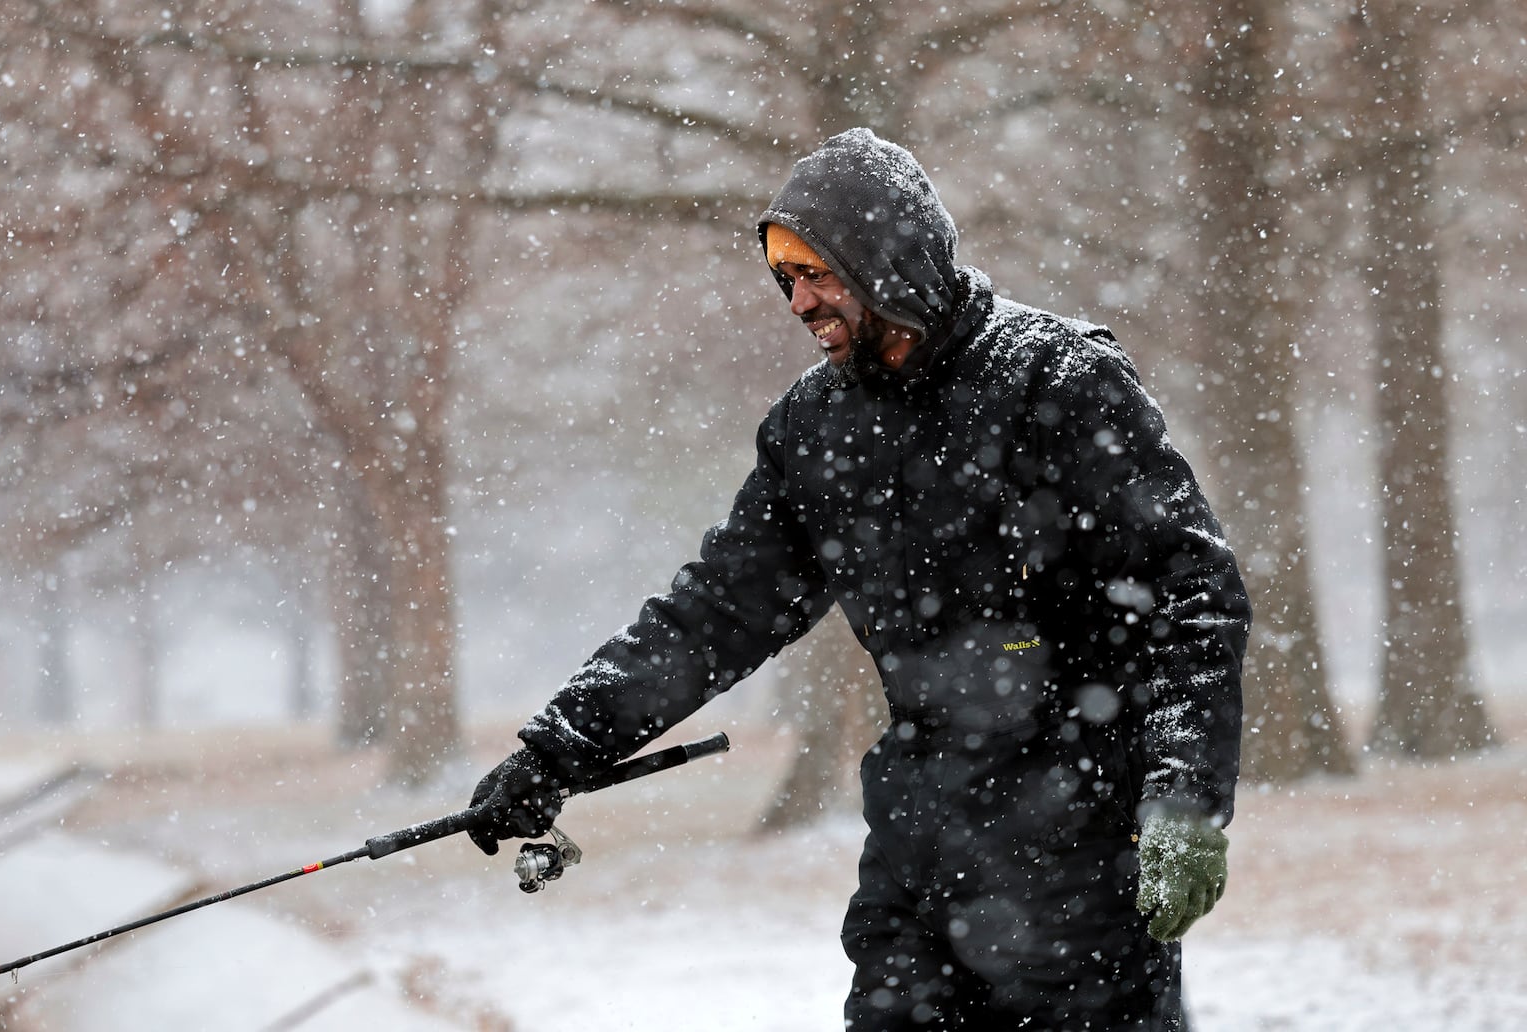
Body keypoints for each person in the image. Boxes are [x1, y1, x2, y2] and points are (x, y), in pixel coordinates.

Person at [466, 128, 1250, 1030]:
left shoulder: (1057, 381)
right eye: (785, 278)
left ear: (890, 257)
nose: (799, 300)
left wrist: (1185, 798)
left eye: (817, 271)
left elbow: (1193, 592)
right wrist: (559, 747)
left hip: (1085, 855)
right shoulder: (813, 431)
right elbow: (714, 611)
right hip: (920, 859)